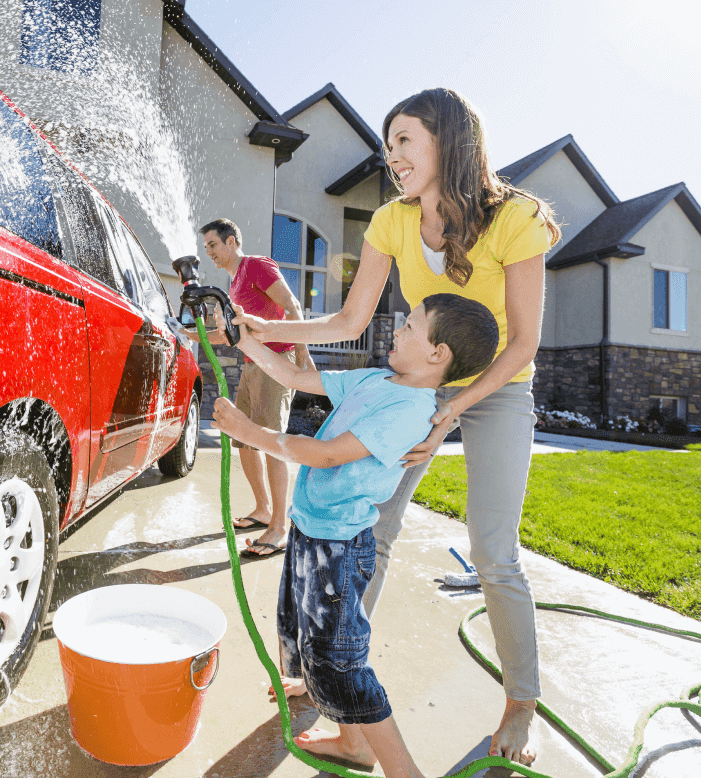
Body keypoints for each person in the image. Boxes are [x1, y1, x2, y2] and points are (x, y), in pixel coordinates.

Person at [230, 88, 562, 767]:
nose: (393, 154)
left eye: (406, 139)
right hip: (417, 387)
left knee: (493, 549)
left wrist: (453, 412)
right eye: (390, 141)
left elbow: (523, 342)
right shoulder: (390, 220)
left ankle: (521, 703)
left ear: (448, 141)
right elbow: (349, 323)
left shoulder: (517, 218)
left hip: (496, 387)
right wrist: (272, 329)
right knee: (369, 529)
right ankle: (338, 673)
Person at [212, 294, 500, 777]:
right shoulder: (375, 379)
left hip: (339, 551)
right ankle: (346, 735)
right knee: (305, 634)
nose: (397, 330)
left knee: (342, 665)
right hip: (311, 531)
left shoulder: (410, 411)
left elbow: (326, 455)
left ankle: (399, 768)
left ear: (438, 353)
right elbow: (295, 377)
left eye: (410, 326)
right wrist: (245, 338)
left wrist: (250, 431)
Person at [187, 218, 314, 558]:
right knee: (244, 438)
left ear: (231, 241)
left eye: (213, 245)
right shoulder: (234, 285)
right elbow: (231, 335)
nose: (209, 252)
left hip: (276, 364)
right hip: (252, 365)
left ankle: (279, 527)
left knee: (272, 442)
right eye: (206, 247)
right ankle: (262, 509)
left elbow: (291, 305)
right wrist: (188, 333)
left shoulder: (256, 266)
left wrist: (303, 356)